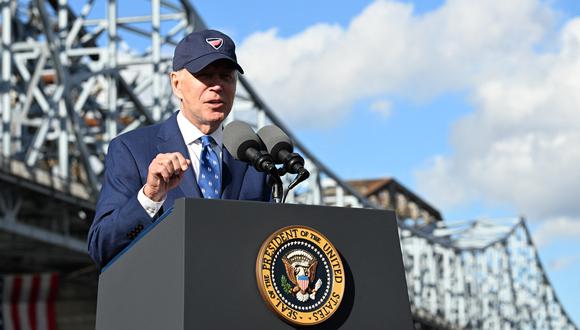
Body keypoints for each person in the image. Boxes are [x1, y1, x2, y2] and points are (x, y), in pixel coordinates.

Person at [88, 29, 271, 269]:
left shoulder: (254, 158)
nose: (216, 86)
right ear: (176, 84)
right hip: (165, 301)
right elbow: (101, 246)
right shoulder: (131, 150)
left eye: (226, 77)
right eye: (205, 76)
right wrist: (150, 196)